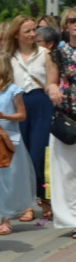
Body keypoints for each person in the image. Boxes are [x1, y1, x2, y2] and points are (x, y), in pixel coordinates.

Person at [6, 15, 52, 222]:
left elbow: (52, 82)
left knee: (39, 154)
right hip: (17, 106)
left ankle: (44, 200)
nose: (33, 34)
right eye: (28, 31)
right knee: (20, 156)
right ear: (17, 34)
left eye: (34, 30)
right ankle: (27, 205)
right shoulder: (9, 56)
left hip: (41, 104)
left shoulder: (45, 54)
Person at [0, 52, 36, 235]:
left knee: (8, 180)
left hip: (10, 139)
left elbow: (22, 115)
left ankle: (5, 218)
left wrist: (5, 116)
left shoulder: (13, 90)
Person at [44, 26, 76, 235]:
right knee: (67, 173)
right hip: (68, 117)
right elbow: (50, 83)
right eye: (73, 19)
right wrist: (52, 88)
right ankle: (73, 219)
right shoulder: (57, 54)